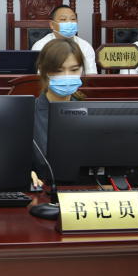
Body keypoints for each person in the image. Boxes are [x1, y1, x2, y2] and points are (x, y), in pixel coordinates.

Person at [30, 39, 86, 188]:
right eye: (58, 71)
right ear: (43, 70)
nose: (67, 76)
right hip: (43, 192)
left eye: (74, 70)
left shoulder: (90, 113)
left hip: (85, 191)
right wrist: (25, 173)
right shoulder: (27, 115)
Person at [30, 5, 97, 74]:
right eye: (63, 19)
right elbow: (38, 76)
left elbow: (91, 75)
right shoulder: (41, 46)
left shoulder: (85, 46)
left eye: (73, 19)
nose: (69, 22)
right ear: (52, 24)